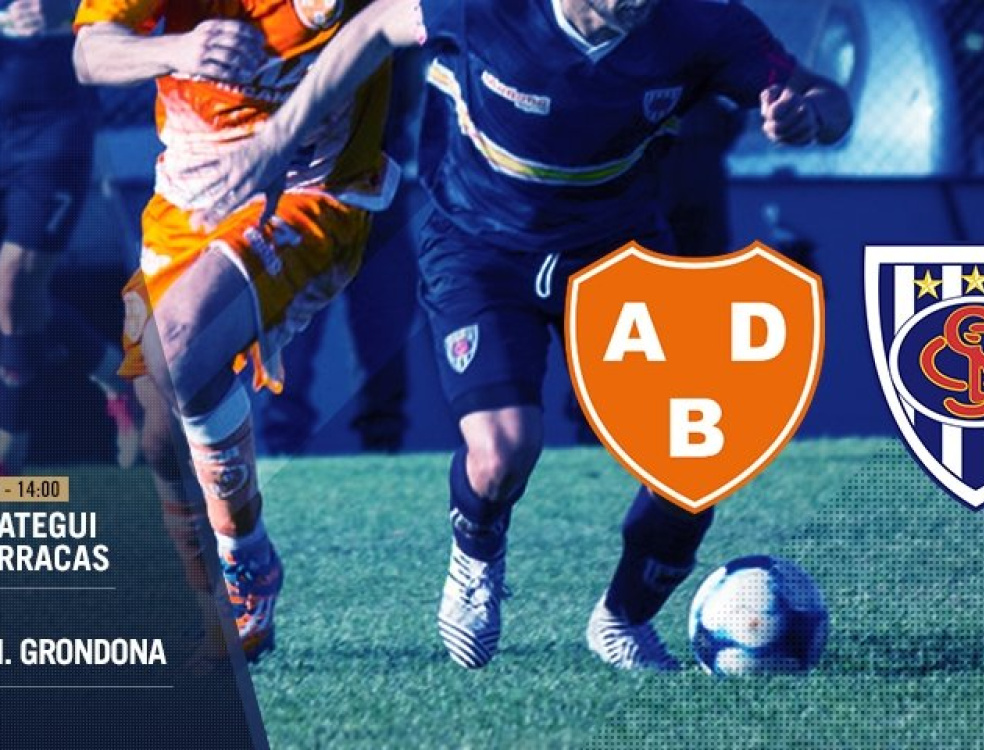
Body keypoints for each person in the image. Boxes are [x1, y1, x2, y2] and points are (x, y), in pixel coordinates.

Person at [188, 0, 853, 671]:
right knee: (503, 452)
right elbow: (372, 25)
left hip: (617, 253)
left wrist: (808, 118)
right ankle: (476, 556)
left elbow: (827, 100)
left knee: (693, 458)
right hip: (479, 247)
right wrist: (274, 143)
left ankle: (622, 620)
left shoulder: (699, 21)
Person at [71, 0, 424, 661]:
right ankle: (234, 588)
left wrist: (276, 141)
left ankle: (243, 570)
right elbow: (90, 52)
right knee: (156, 430)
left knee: (177, 347)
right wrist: (177, 50)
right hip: (189, 195)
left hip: (309, 189)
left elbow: (387, 20)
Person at [0, 0, 138, 477]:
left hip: (51, 123)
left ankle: (10, 452)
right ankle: (114, 373)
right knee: (15, 295)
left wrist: (62, 8)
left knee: (15, 282)